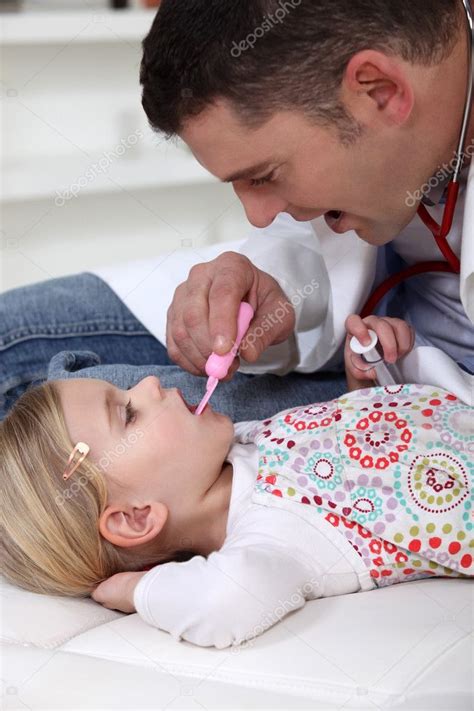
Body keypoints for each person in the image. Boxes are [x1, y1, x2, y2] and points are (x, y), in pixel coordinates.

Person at [2, 0, 473, 419]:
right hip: (353, 351)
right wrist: (273, 285)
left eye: (264, 175)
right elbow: (312, 251)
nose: (258, 218)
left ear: (380, 92)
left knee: (72, 440)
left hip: (433, 405)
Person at [1, 317, 472, 649]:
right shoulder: (272, 533)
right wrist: (133, 591)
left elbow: (362, 466)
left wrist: (372, 387)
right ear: (135, 517)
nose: (146, 382)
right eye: (127, 413)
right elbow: (225, 601)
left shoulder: (245, 442)